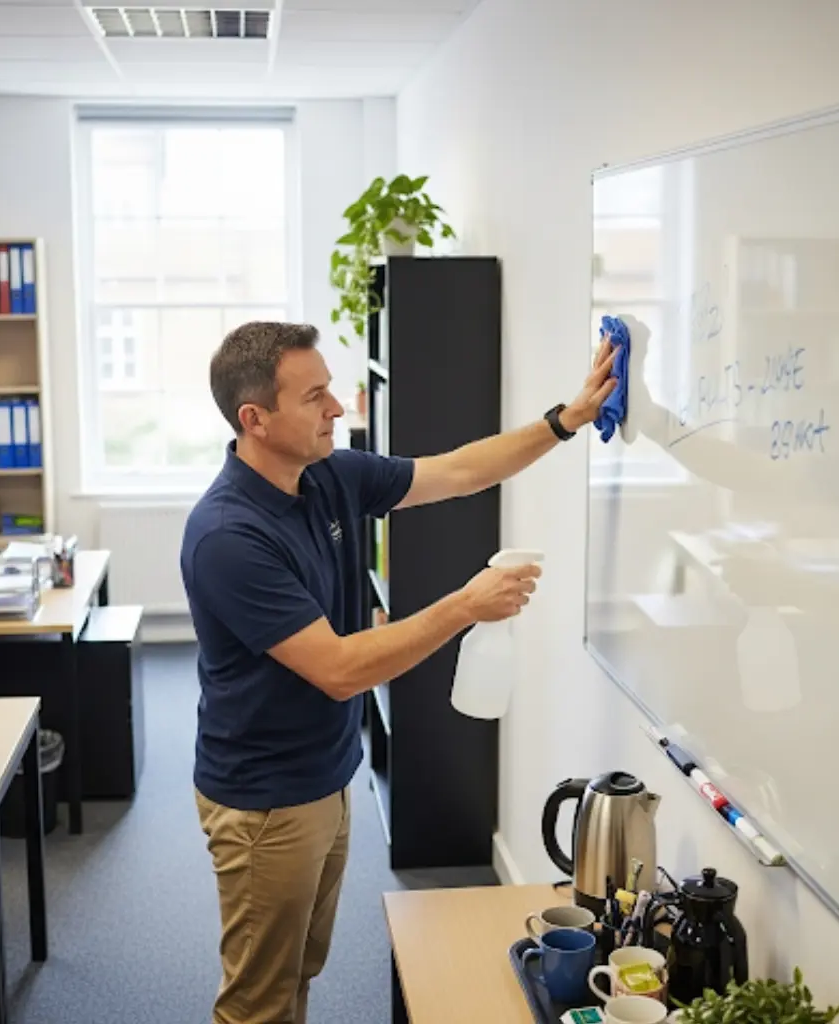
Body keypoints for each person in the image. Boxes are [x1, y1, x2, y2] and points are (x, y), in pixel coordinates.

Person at [180, 320, 617, 1024]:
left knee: (299, 971)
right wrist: (465, 606)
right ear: (254, 420)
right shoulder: (228, 536)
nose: (337, 409)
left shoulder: (328, 476)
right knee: (258, 1000)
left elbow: (463, 470)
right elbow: (340, 671)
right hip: (265, 802)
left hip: (325, 774)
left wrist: (565, 420)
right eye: (315, 396)